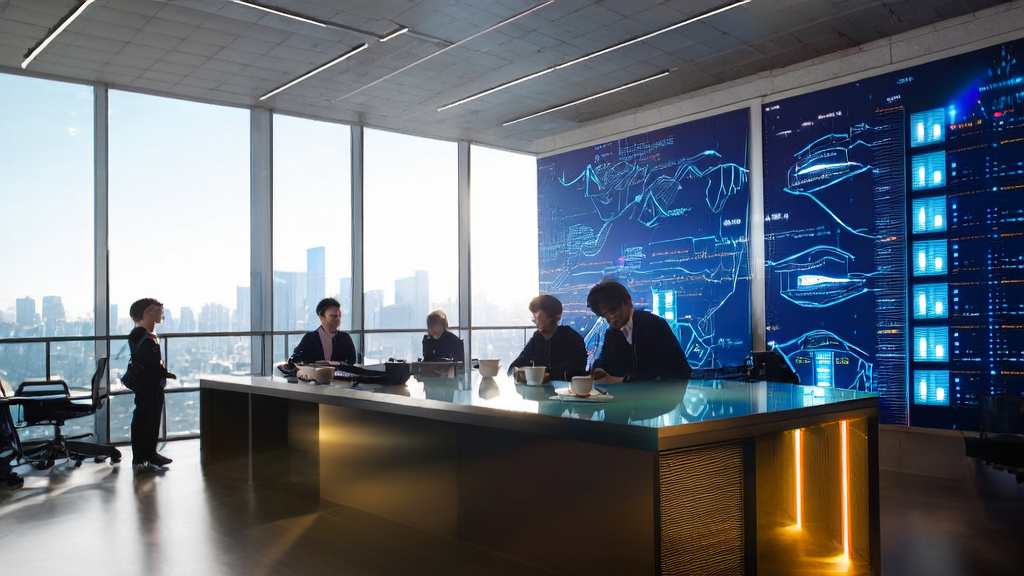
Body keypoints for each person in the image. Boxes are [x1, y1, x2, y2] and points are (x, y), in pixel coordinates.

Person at [587, 280, 692, 383]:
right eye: (604, 315)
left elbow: (675, 368)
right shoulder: (611, 333)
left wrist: (626, 379)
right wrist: (599, 370)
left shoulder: (654, 324)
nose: (611, 318)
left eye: (613, 310)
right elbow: (605, 361)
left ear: (627, 301)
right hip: (628, 396)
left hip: (663, 395)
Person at [126, 298, 176, 473]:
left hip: (151, 383)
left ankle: (148, 453)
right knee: (145, 418)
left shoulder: (145, 334)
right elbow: (145, 360)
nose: (161, 314)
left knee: (151, 418)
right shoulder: (141, 335)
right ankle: (143, 455)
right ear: (147, 311)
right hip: (147, 384)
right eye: (157, 310)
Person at [508, 294, 587, 383]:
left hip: (567, 392)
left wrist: (547, 375)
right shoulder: (536, 339)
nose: (537, 322)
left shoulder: (573, 338)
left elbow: (578, 371)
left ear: (557, 318)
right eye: (534, 318)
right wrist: (516, 372)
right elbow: (515, 365)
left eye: (539, 317)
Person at [291, 297, 357, 364]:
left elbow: (351, 360)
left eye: (339, 316)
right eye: (333, 316)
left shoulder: (345, 338)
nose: (337, 319)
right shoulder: (310, 338)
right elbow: (297, 357)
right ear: (321, 317)